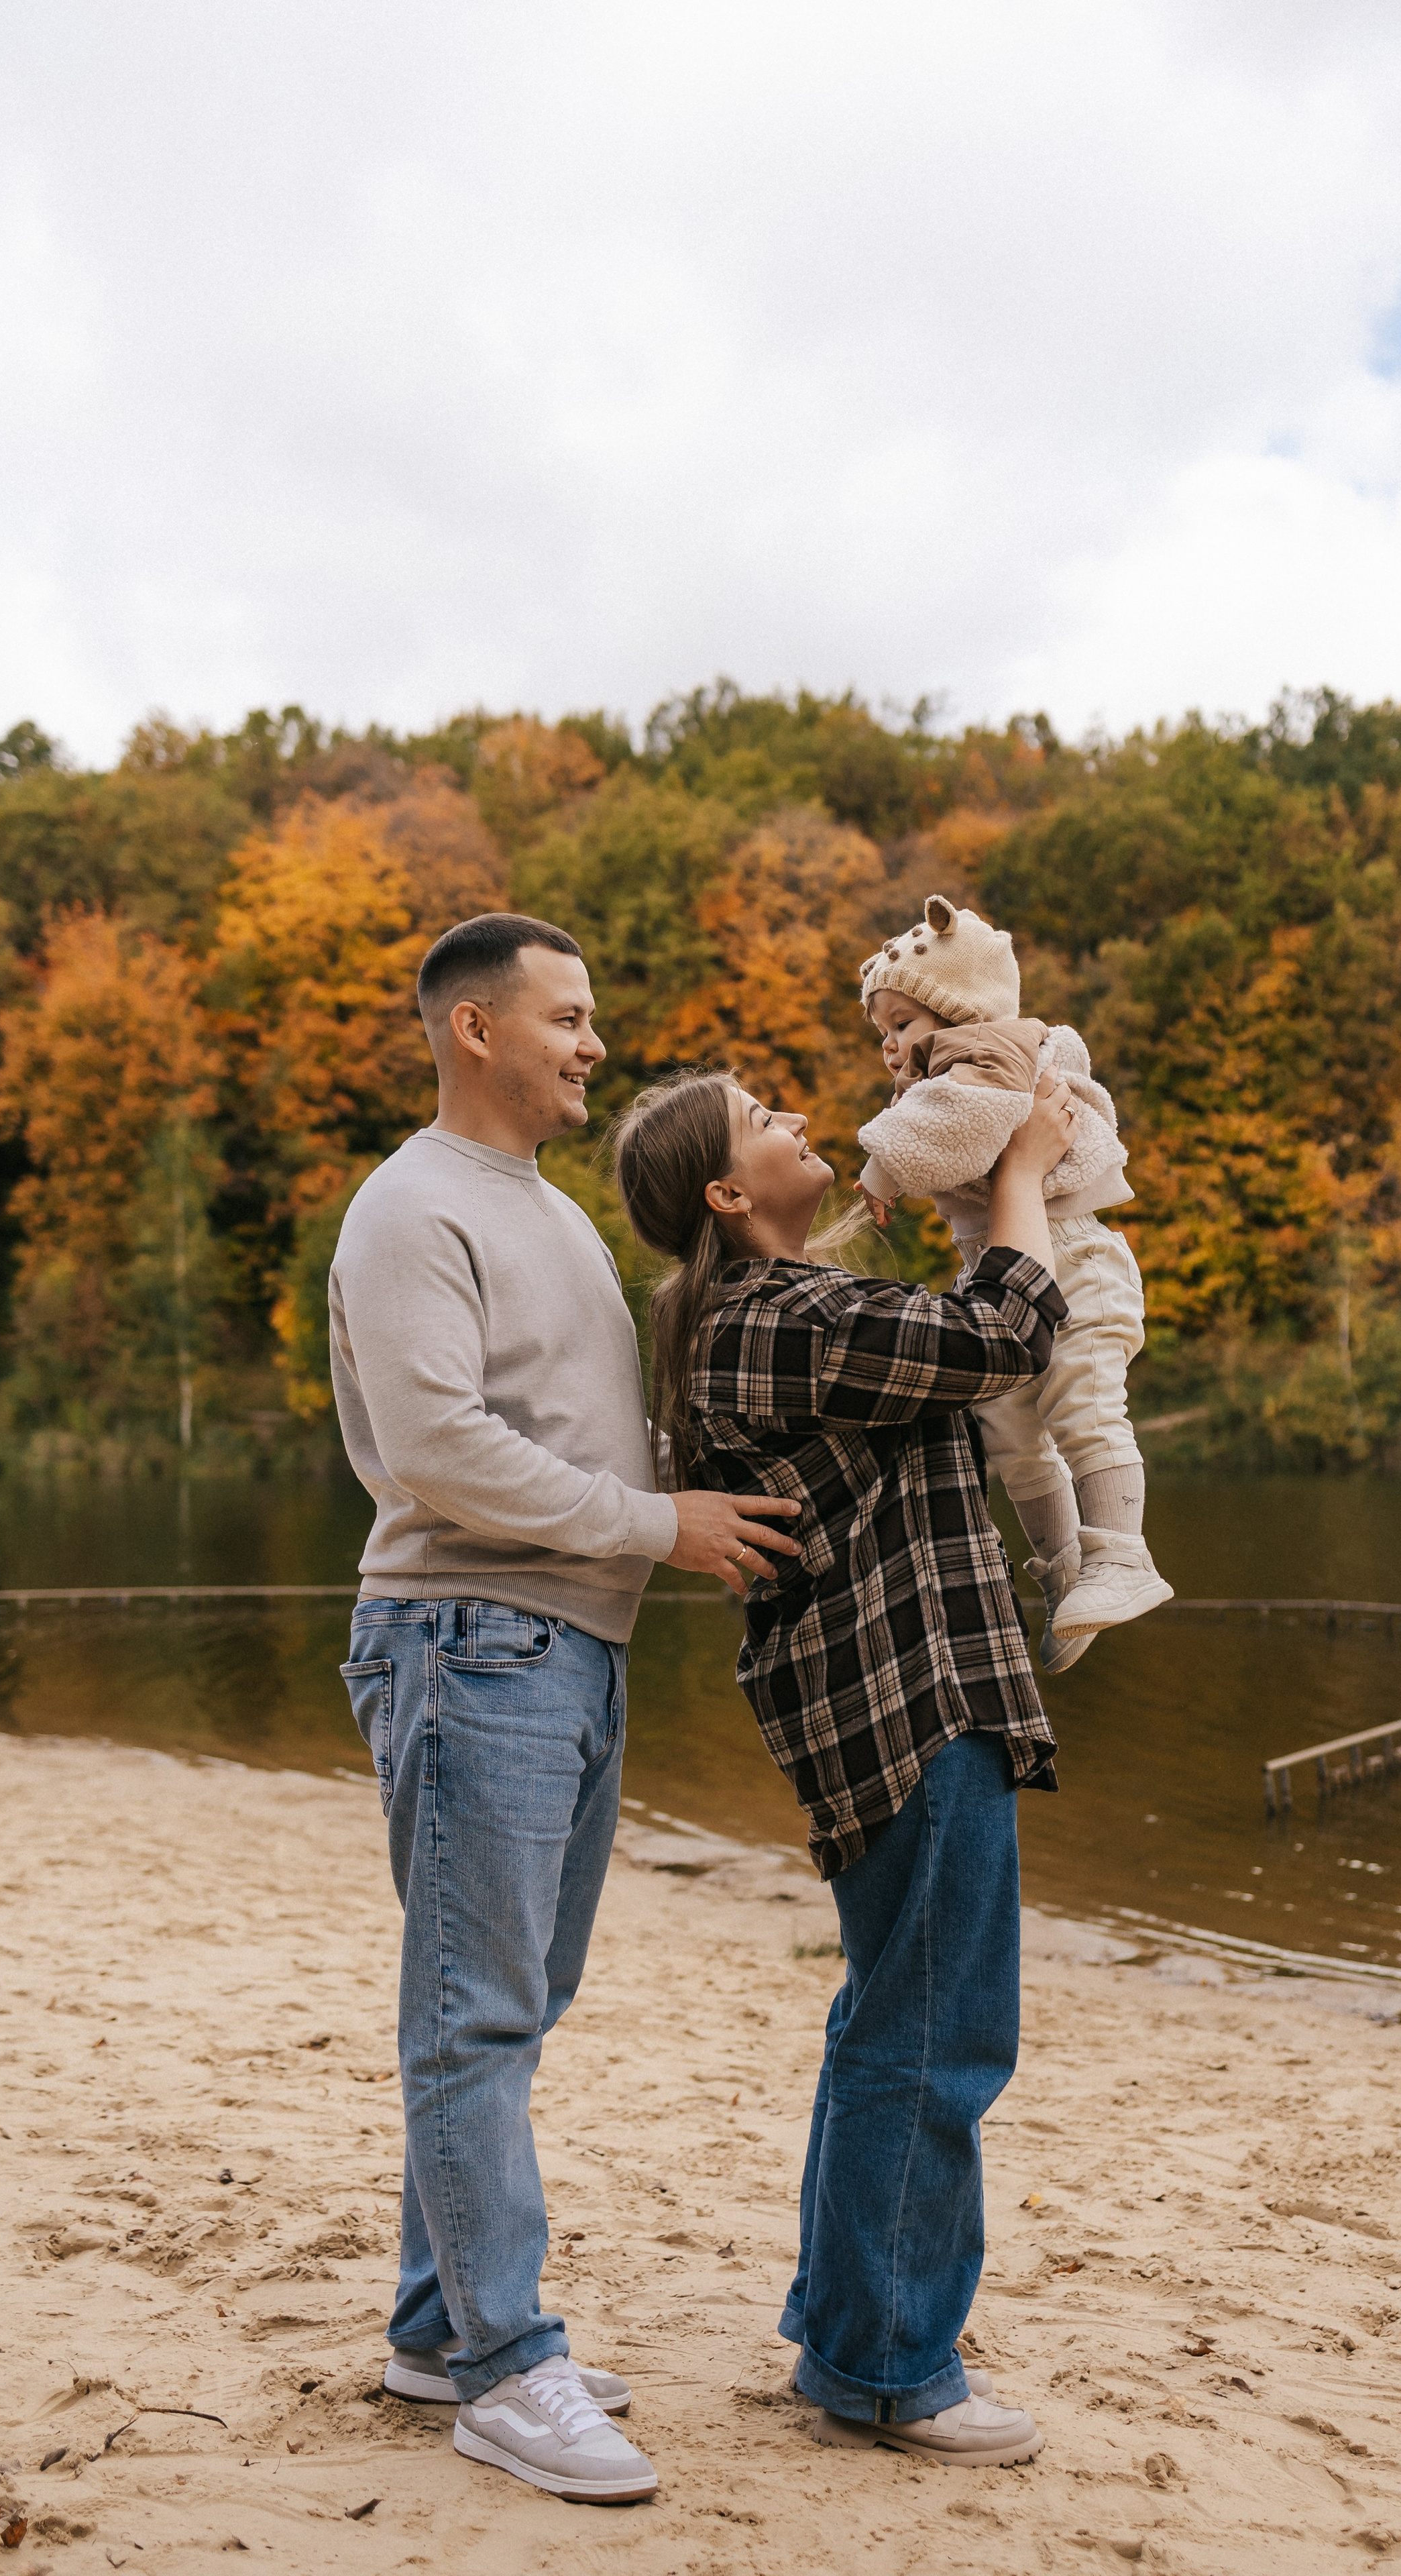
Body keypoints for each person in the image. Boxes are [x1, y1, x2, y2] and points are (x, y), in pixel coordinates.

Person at [327, 912, 802, 2506]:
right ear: (476, 1029)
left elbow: (592, 1434)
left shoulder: (548, 1217)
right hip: (470, 1640)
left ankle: (431, 2326)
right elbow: (443, 1447)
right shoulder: (411, 1207)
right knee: (473, 2011)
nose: (595, 1043)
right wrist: (657, 1522)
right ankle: (508, 2364)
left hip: (561, 1648)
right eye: (569, 1016)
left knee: (508, 1998)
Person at [613, 1064, 1075, 2465]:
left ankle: (847, 2334)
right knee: (934, 2033)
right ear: (725, 1193)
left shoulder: (773, 1312)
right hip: (910, 1699)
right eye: (763, 1121)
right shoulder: (783, 1317)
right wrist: (1020, 1169)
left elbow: (953, 1336)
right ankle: (886, 2369)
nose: (793, 1122)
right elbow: (1010, 1331)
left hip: (882, 1704)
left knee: (892, 2015)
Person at [856, 896, 1171, 1673]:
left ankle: (1121, 1555)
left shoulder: (989, 1053)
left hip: (1075, 1261)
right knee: (1006, 1428)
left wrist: (884, 1162)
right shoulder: (952, 1068)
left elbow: (962, 1127)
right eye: (882, 1033)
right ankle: (1066, 1564)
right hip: (1005, 1276)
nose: (890, 1047)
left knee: (1086, 1405)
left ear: (955, 1005)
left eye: (902, 1026)